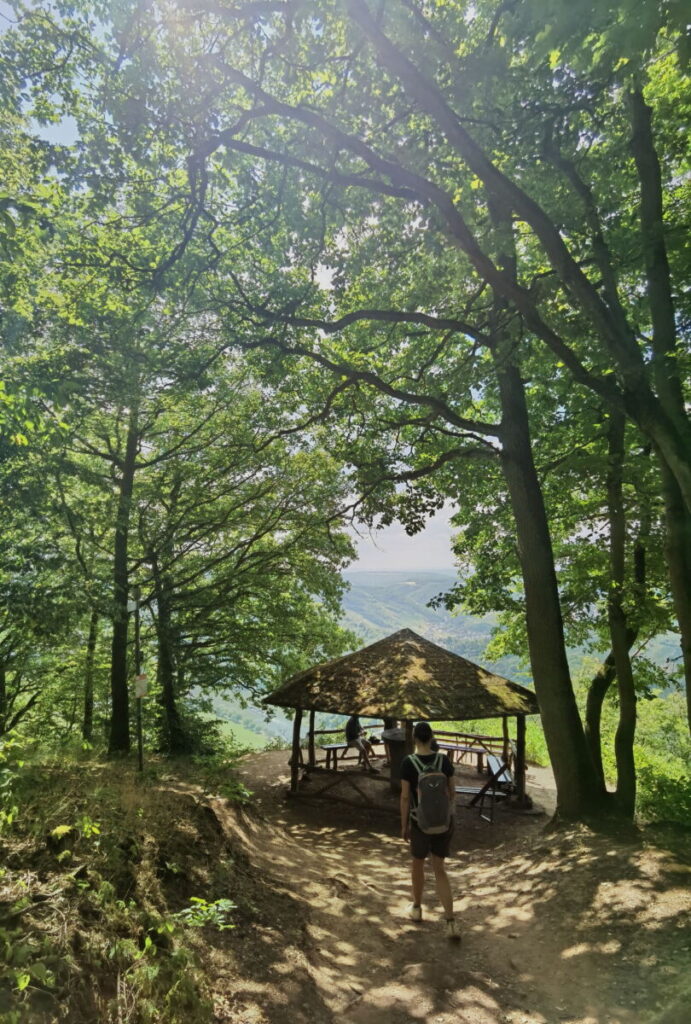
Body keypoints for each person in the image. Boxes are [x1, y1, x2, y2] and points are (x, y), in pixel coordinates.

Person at [399, 721, 460, 940]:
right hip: (443, 823)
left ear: (414, 738)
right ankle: (451, 921)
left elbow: (405, 797)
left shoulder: (408, 763)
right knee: (440, 869)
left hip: (419, 823)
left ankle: (416, 908)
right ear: (431, 737)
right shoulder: (443, 761)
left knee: (418, 864)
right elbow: (453, 792)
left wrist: (404, 824)